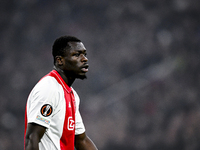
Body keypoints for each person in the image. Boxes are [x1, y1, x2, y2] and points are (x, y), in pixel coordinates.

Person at [24, 36, 98, 150]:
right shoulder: (48, 89)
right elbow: (32, 137)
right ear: (60, 60)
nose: (84, 59)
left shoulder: (72, 95)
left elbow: (81, 140)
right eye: (77, 55)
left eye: (84, 54)